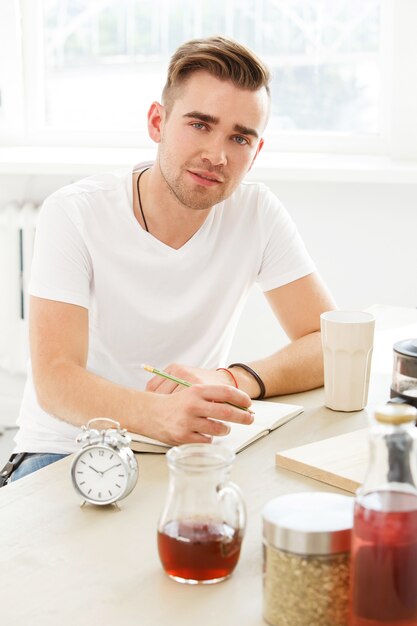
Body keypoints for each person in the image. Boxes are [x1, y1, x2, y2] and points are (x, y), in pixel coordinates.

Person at [4, 36, 335, 483]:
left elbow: (330, 342)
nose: (217, 155)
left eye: (239, 137)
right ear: (157, 122)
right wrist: (160, 414)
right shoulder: (75, 212)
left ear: (255, 153)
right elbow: (56, 379)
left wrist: (232, 379)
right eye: (200, 124)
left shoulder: (257, 213)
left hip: (184, 449)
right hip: (68, 449)